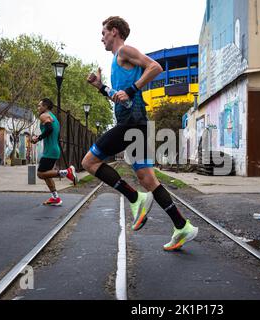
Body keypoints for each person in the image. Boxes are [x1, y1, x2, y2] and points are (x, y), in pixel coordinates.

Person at [82, 16, 198, 251]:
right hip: (135, 123)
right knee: (148, 179)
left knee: (89, 162)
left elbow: (155, 67)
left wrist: (132, 89)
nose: (101, 37)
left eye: (103, 32)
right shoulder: (117, 61)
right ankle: (182, 225)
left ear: (114, 32)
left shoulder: (125, 50)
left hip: (132, 124)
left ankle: (135, 198)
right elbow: (121, 97)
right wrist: (101, 87)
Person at [32, 98, 78, 206]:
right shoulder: (54, 118)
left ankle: (67, 172)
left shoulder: (44, 116)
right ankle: (55, 198)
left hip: (50, 151)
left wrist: (37, 138)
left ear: (45, 107)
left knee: (40, 174)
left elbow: (49, 130)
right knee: (47, 175)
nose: (38, 108)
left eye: (40, 106)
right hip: (53, 149)